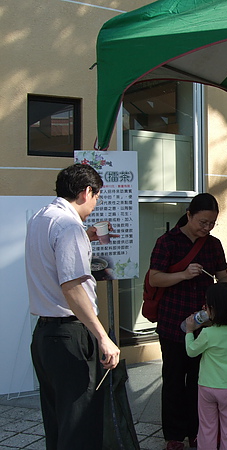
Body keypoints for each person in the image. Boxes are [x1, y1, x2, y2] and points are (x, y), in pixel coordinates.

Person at [25, 163, 120, 450]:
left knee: (58, 422)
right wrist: (103, 337)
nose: (95, 203)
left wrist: (86, 238)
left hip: (44, 335)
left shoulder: (41, 218)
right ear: (86, 192)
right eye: (97, 196)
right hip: (70, 336)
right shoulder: (68, 227)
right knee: (80, 425)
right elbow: (72, 287)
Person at [148, 193, 227, 450]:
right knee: (173, 379)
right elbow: (154, 279)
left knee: (199, 381)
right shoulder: (168, 242)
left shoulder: (213, 245)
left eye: (211, 223)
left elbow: (224, 279)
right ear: (189, 215)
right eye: (202, 222)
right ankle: (174, 435)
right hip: (173, 322)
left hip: (204, 325)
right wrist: (183, 275)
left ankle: (198, 432)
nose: (206, 228)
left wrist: (224, 299)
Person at [184, 283, 227, 450]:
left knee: (207, 428)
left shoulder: (208, 333)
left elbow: (191, 351)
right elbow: (224, 331)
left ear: (212, 309)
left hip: (206, 386)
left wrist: (189, 331)